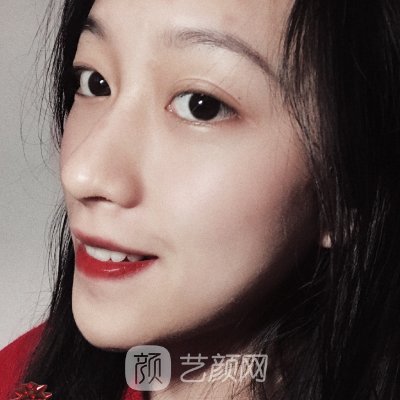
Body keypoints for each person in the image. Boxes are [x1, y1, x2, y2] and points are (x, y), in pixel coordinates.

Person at [1, 0, 399, 399]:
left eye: (201, 106)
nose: (82, 172)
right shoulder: (23, 376)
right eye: (94, 82)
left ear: (350, 192)